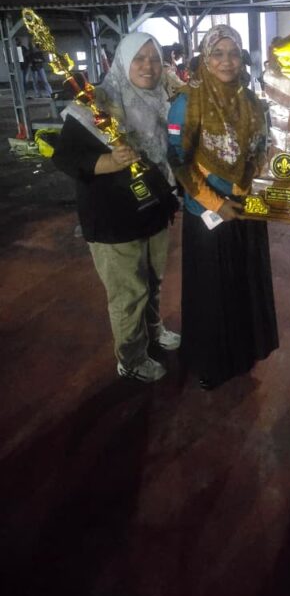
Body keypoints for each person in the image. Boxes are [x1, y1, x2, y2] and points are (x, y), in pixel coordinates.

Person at [52, 33, 180, 383]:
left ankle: (153, 331)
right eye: (139, 58)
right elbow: (65, 156)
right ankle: (131, 358)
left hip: (153, 208)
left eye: (154, 59)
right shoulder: (97, 101)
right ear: (122, 61)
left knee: (153, 281)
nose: (148, 66)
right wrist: (109, 162)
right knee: (129, 293)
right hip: (112, 216)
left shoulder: (160, 99)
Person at [167, 25, 278, 390]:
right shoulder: (187, 102)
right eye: (218, 53)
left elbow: (260, 152)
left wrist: (259, 189)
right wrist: (217, 203)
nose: (227, 61)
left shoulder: (250, 99)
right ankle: (211, 363)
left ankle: (243, 353)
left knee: (244, 285)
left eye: (233, 54)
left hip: (247, 208)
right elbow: (179, 161)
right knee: (212, 292)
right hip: (208, 214)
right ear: (205, 57)